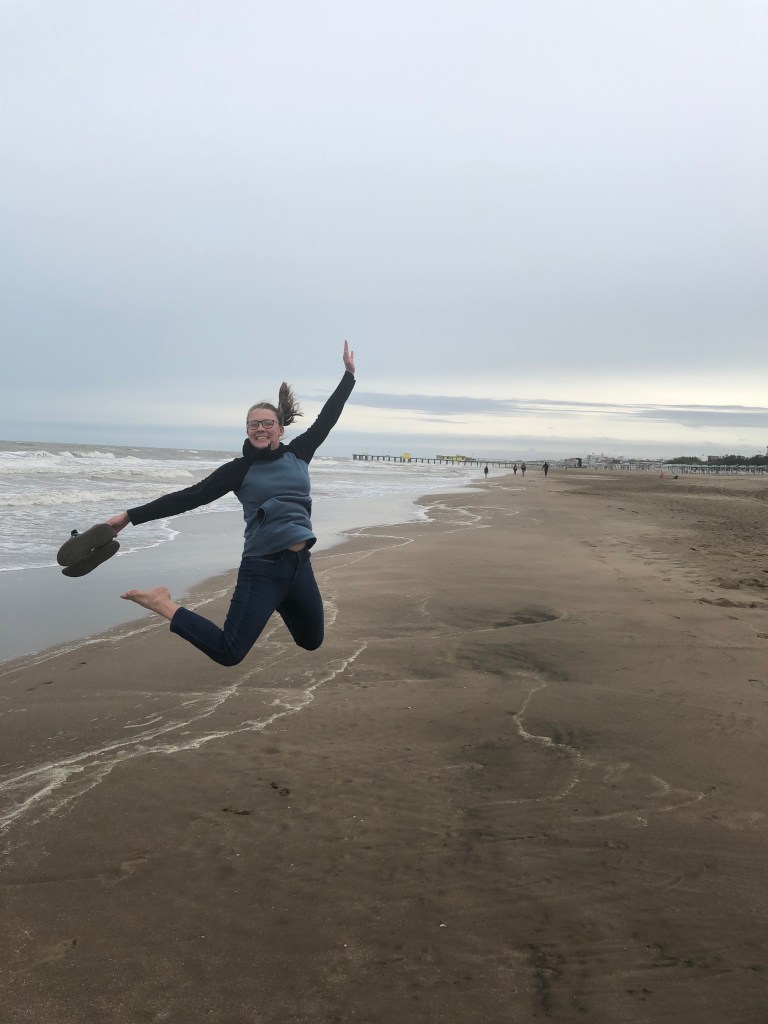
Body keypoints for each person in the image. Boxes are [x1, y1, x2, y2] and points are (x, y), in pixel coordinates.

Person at [106, 342, 356, 667]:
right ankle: (162, 602)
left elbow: (328, 418)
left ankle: (275, 599)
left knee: (311, 640)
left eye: (267, 423)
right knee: (229, 652)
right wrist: (129, 516)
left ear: (280, 429)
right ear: (247, 430)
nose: (261, 428)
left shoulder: (298, 453)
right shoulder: (239, 470)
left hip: (299, 566)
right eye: (254, 424)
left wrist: (348, 376)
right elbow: (189, 497)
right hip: (262, 568)